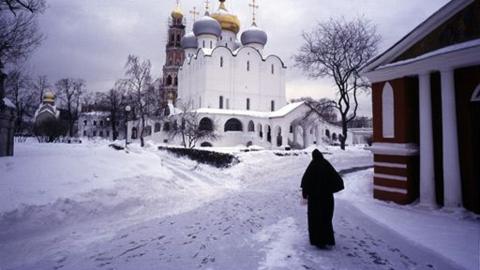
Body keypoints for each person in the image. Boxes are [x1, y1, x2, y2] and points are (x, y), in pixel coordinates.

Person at [301, 149, 344, 248]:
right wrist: (329, 189)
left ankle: (318, 241)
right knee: (326, 219)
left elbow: (306, 182)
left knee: (315, 220)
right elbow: (338, 181)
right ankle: (327, 239)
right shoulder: (326, 165)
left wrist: (305, 194)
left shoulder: (312, 166)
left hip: (315, 200)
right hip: (327, 199)